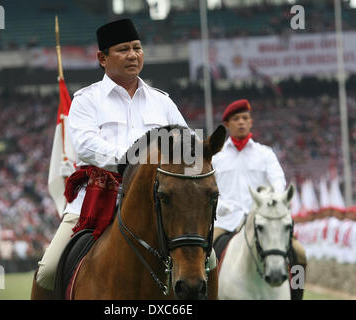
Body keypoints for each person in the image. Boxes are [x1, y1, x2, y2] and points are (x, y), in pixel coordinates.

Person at [31, 18, 188, 299]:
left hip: (156, 205)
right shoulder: (86, 100)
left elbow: (186, 146)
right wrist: (131, 161)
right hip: (95, 201)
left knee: (208, 258)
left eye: (137, 48)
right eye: (123, 49)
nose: (133, 55)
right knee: (48, 270)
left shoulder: (162, 101)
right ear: (102, 58)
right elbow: (85, 145)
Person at [211, 99, 307, 299]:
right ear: (227, 124)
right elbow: (209, 188)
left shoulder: (265, 154)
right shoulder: (216, 157)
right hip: (226, 222)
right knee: (204, 255)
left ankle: (296, 294)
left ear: (251, 122)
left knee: (298, 254)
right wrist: (220, 206)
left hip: (263, 219)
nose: (241, 122)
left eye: (245, 118)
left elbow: (278, 184)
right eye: (236, 119)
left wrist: (271, 201)